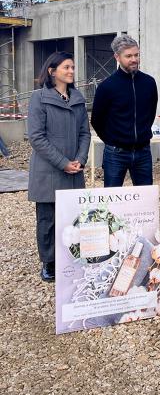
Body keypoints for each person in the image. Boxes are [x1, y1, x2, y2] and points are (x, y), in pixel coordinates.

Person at [28, 52, 90, 282]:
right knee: (47, 220)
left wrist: (80, 159)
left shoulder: (78, 98)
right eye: (66, 67)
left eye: (73, 67)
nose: (71, 71)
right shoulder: (39, 98)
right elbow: (36, 137)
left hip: (74, 169)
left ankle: (71, 257)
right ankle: (49, 262)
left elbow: (85, 133)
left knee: (73, 218)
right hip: (48, 171)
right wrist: (63, 163)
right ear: (52, 71)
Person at [90, 35, 158, 187]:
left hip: (143, 152)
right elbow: (96, 120)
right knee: (111, 202)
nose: (134, 59)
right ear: (117, 57)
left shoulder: (149, 83)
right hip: (115, 153)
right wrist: (113, 140)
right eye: (128, 56)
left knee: (145, 201)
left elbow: (150, 113)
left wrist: (141, 133)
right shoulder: (107, 87)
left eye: (136, 55)